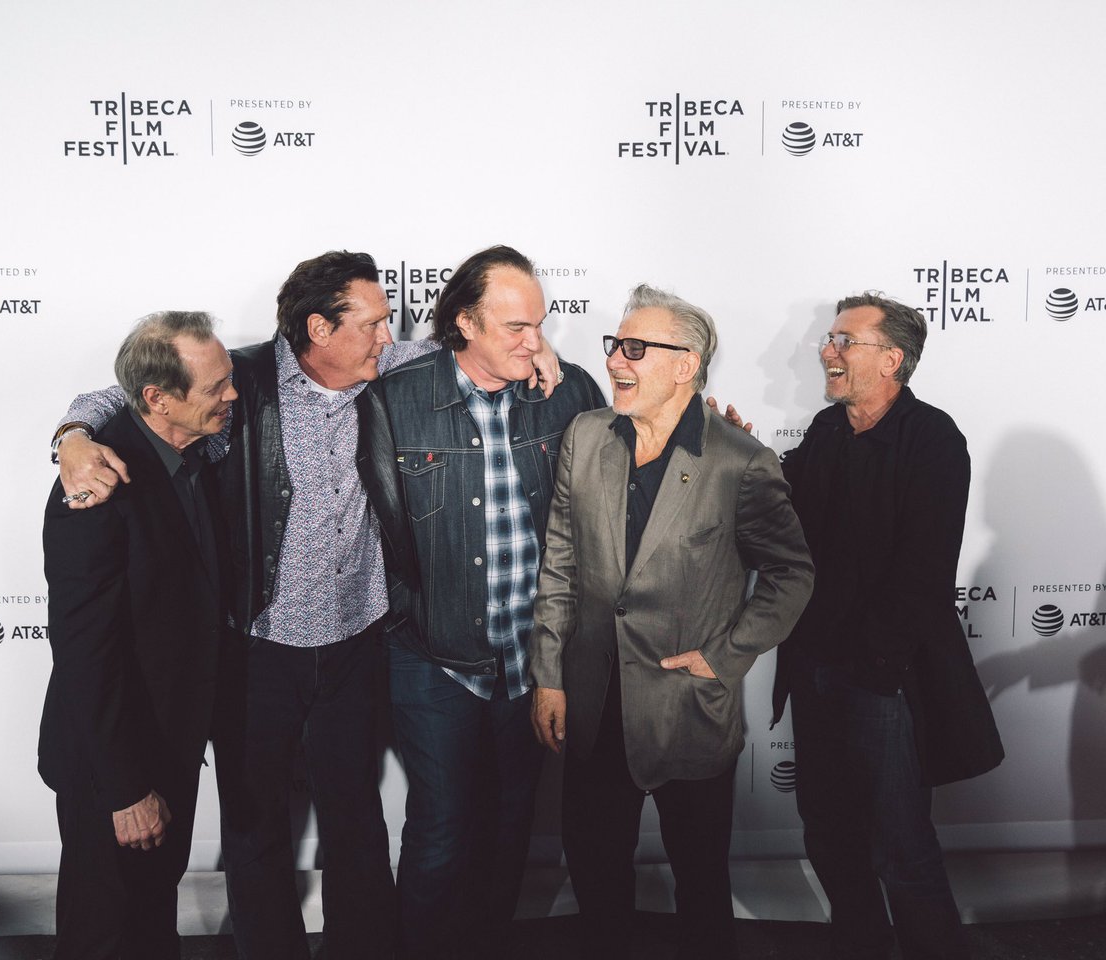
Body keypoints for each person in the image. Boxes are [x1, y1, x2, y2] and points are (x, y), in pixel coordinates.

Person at [50, 251, 561, 959]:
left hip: (357, 644)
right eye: (373, 323)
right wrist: (72, 435)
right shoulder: (241, 382)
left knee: (356, 821)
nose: (390, 336)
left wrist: (535, 346)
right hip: (256, 648)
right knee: (255, 828)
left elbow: (479, 349)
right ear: (320, 329)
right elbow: (129, 396)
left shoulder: (386, 369)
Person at [527, 284, 814, 960]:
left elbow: (791, 576)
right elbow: (560, 565)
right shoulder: (586, 436)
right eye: (614, 346)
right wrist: (549, 675)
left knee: (702, 885)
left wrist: (725, 656)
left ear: (686, 365)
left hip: (687, 707)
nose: (614, 362)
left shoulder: (740, 461)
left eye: (634, 348)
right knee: (596, 878)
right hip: (594, 703)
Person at [356, 244, 605, 958]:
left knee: (510, 822)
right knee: (441, 828)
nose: (534, 341)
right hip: (433, 656)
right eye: (516, 327)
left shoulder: (568, 391)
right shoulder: (395, 395)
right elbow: (373, 518)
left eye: (540, 325)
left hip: (531, 660)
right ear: (464, 323)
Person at [770, 293, 1004, 959]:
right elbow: (782, 505)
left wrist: (872, 667)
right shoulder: (825, 429)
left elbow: (923, 575)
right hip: (814, 670)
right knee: (828, 835)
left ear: (892, 359)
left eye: (845, 340)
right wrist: (740, 457)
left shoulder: (932, 439)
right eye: (830, 339)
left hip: (880, 680)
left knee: (900, 848)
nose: (827, 351)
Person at [39, 311, 237, 959]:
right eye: (216, 387)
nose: (232, 394)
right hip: (113, 767)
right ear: (159, 398)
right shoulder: (95, 484)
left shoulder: (195, 448)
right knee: (102, 932)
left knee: (151, 923)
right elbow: (86, 653)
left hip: (171, 743)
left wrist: (71, 429)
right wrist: (125, 790)